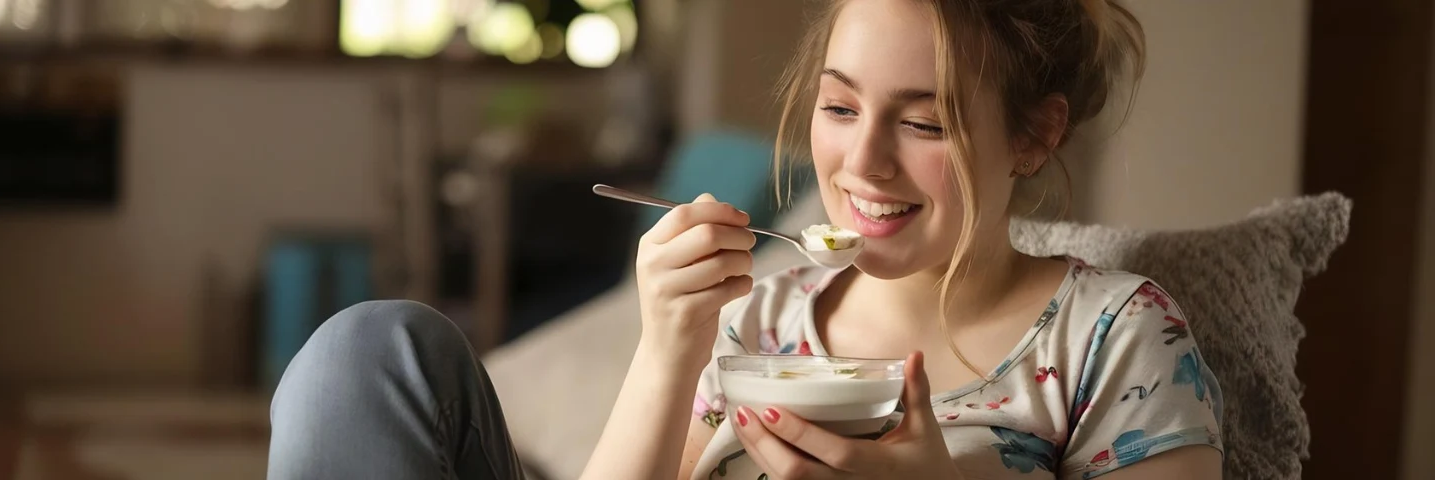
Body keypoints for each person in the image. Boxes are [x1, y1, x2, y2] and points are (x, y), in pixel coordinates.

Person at [267, 0, 1226, 478]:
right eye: (840, 106)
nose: (863, 163)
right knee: (370, 355)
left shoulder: (1114, 336)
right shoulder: (765, 314)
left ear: (1036, 135)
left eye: (924, 124)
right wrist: (667, 350)